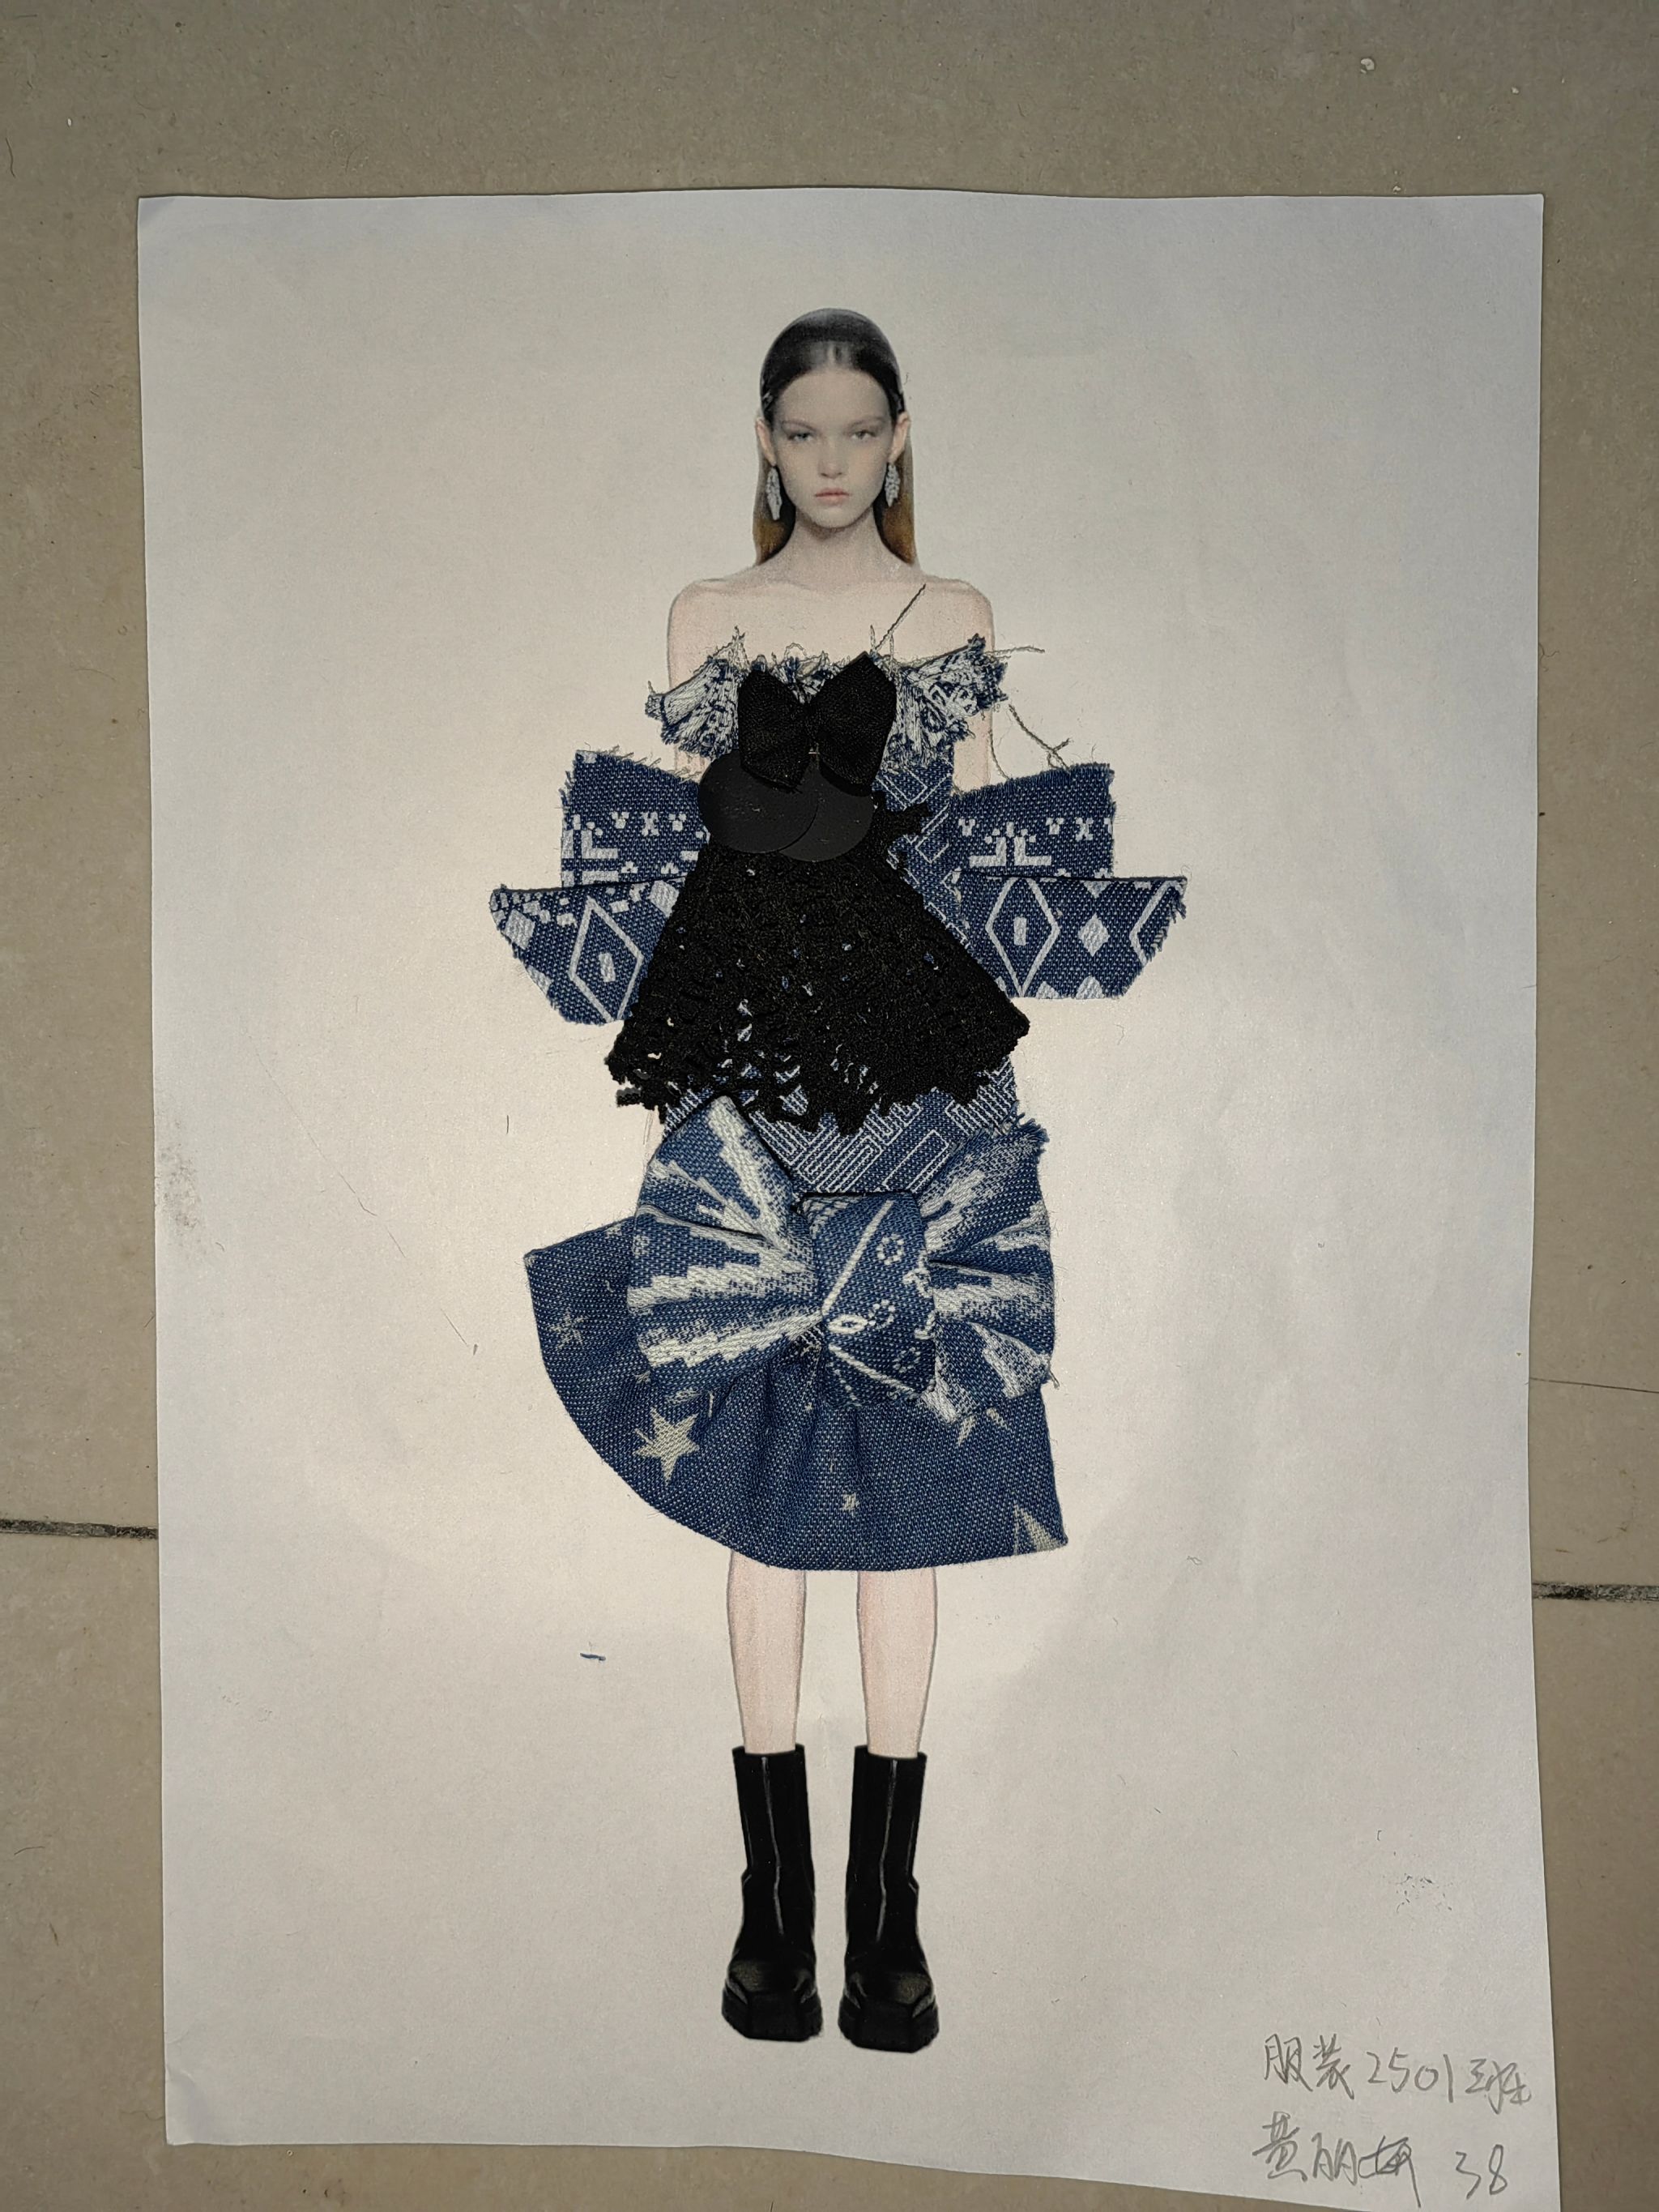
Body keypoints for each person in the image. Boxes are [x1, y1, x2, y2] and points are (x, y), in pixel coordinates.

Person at [490, 308, 1183, 2053]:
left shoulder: (952, 617)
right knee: (757, 1468)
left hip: (921, 1072)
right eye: (802, 429)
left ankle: (890, 1921)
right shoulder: (702, 620)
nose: (829, 458)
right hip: (747, 1075)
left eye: (858, 428)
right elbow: (680, 848)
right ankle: (771, 1914)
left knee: (908, 1462)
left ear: (899, 435)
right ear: (763, 437)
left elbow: (974, 847)